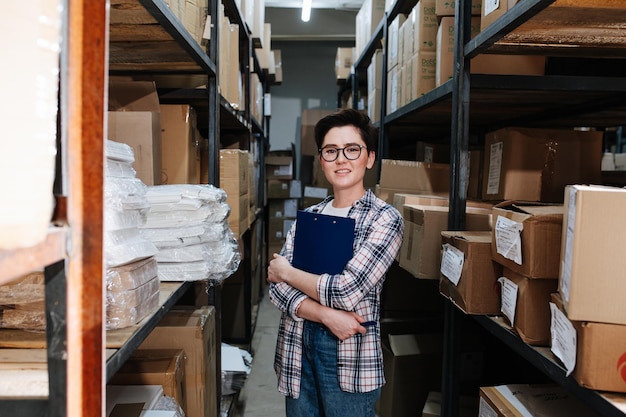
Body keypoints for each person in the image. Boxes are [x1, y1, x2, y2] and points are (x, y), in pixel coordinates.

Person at [267, 108, 404, 417]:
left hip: (349, 354)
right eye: (331, 151)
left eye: (351, 149)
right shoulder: (310, 216)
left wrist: (289, 272)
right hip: (296, 348)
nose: (341, 159)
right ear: (322, 160)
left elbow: (346, 291)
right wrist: (326, 316)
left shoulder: (384, 219)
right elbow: (276, 290)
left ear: (369, 158)